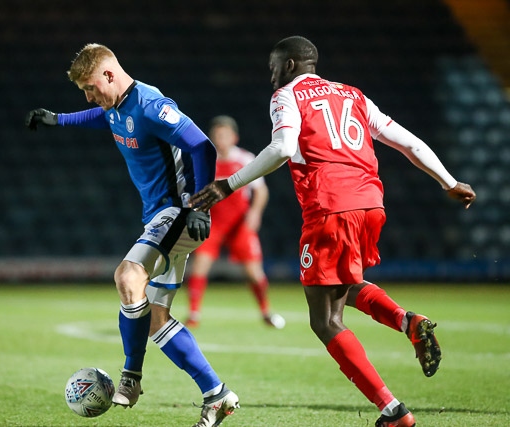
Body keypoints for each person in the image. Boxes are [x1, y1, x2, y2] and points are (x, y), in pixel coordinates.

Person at [190, 36, 476, 427]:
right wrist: (448, 180)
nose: (271, 75)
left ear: (289, 65)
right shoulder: (353, 94)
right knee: (342, 282)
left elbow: (282, 147)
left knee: (325, 319)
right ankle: (406, 321)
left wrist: (228, 184)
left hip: (330, 206)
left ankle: (392, 411)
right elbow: (405, 140)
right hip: (371, 203)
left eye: (274, 67)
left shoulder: (287, 96)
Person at [25, 43, 238, 427]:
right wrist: (58, 119)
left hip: (177, 212)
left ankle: (131, 378)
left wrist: (199, 206)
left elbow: (202, 146)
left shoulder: (151, 105)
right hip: (159, 217)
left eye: (91, 87)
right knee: (156, 320)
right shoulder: (116, 108)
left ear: (109, 74)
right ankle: (217, 394)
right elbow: (101, 117)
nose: (90, 96)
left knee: (127, 276)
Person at [185, 115, 285, 329]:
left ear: (234, 137)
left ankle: (266, 311)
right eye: (216, 135)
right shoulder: (206, 160)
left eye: (224, 135)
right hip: (214, 222)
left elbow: (261, 190)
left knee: (254, 272)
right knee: (199, 268)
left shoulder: (246, 159)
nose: (220, 139)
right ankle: (193, 313)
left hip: (239, 224)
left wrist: (255, 213)